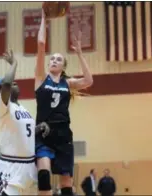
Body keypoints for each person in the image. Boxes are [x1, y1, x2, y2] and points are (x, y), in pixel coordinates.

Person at [35, 9, 93, 195]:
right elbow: (41, 44)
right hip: (44, 132)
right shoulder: (41, 78)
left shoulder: (67, 83)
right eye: (52, 58)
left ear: (63, 66)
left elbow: (89, 81)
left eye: (58, 59)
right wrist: (44, 18)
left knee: (66, 184)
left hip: (63, 136)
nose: (53, 60)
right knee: (44, 174)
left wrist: (80, 54)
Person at [0, 49, 50, 196]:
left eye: (14, 82)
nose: (12, 82)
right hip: (11, 167)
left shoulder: (22, 108)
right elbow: (7, 83)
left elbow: (26, 134)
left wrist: (40, 127)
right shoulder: (1, 106)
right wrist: (14, 63)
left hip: (29, 167)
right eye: (6, 83)